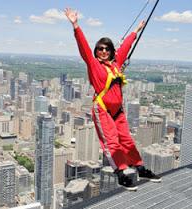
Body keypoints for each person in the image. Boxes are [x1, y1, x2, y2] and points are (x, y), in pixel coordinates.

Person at [65, 8, 161, 190]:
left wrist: (136, 31)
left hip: (118, 110)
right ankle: (120, 173)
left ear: (111, 51)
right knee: (112, 142)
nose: (103, 51)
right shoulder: (94, 65)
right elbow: (83, 48)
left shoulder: (116, 65)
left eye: (107, 49)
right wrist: (76, 25)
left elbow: (125, 48)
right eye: (100, 49)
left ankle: (139, 167)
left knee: (127, 140)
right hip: (102, 109)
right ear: (96, 51)